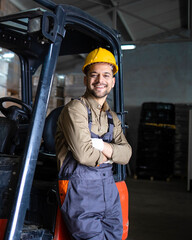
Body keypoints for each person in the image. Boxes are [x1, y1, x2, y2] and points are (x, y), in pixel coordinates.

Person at [55, 47, 132, 240]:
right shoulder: (75, 109)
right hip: (81, 193)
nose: (100, 80)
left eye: (106, 75)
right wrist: (112, 155)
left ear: (113, 82)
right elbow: (84, 155)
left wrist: (101, 146)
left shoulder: (112, 117)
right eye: (94, 74)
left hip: (109, 192)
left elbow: (127, 154)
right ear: (85, 79)